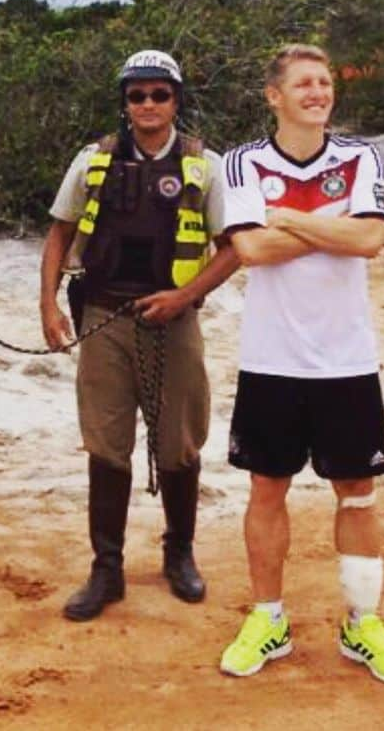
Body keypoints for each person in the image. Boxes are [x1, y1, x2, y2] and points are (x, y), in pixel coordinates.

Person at [217, 43, 384, 686]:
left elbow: (370, 239)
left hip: (347, 361)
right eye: (302, 83)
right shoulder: (241, 162)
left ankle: (362, 624)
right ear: (274, 96)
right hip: (271, 361)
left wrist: (289, 218)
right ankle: (269, 618)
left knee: (357, 496)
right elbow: (248, 250)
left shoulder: (360, 157)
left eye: (324, 82)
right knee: (266, 489)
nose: (317, 92)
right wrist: (329, 225)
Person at [39, 49, 239, 622]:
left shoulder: (207, 165)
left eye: (160, 94)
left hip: (174, 324)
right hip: (104, 318)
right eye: (137, 95)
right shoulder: (92, 160)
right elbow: (59, 233)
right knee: (106, 445)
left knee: (179, 441)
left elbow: (233, 249)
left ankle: (180, 554)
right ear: (125, 102)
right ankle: (107, 569)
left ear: (176, 99)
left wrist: (182, 296)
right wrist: (48, 305)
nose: (148, 105)